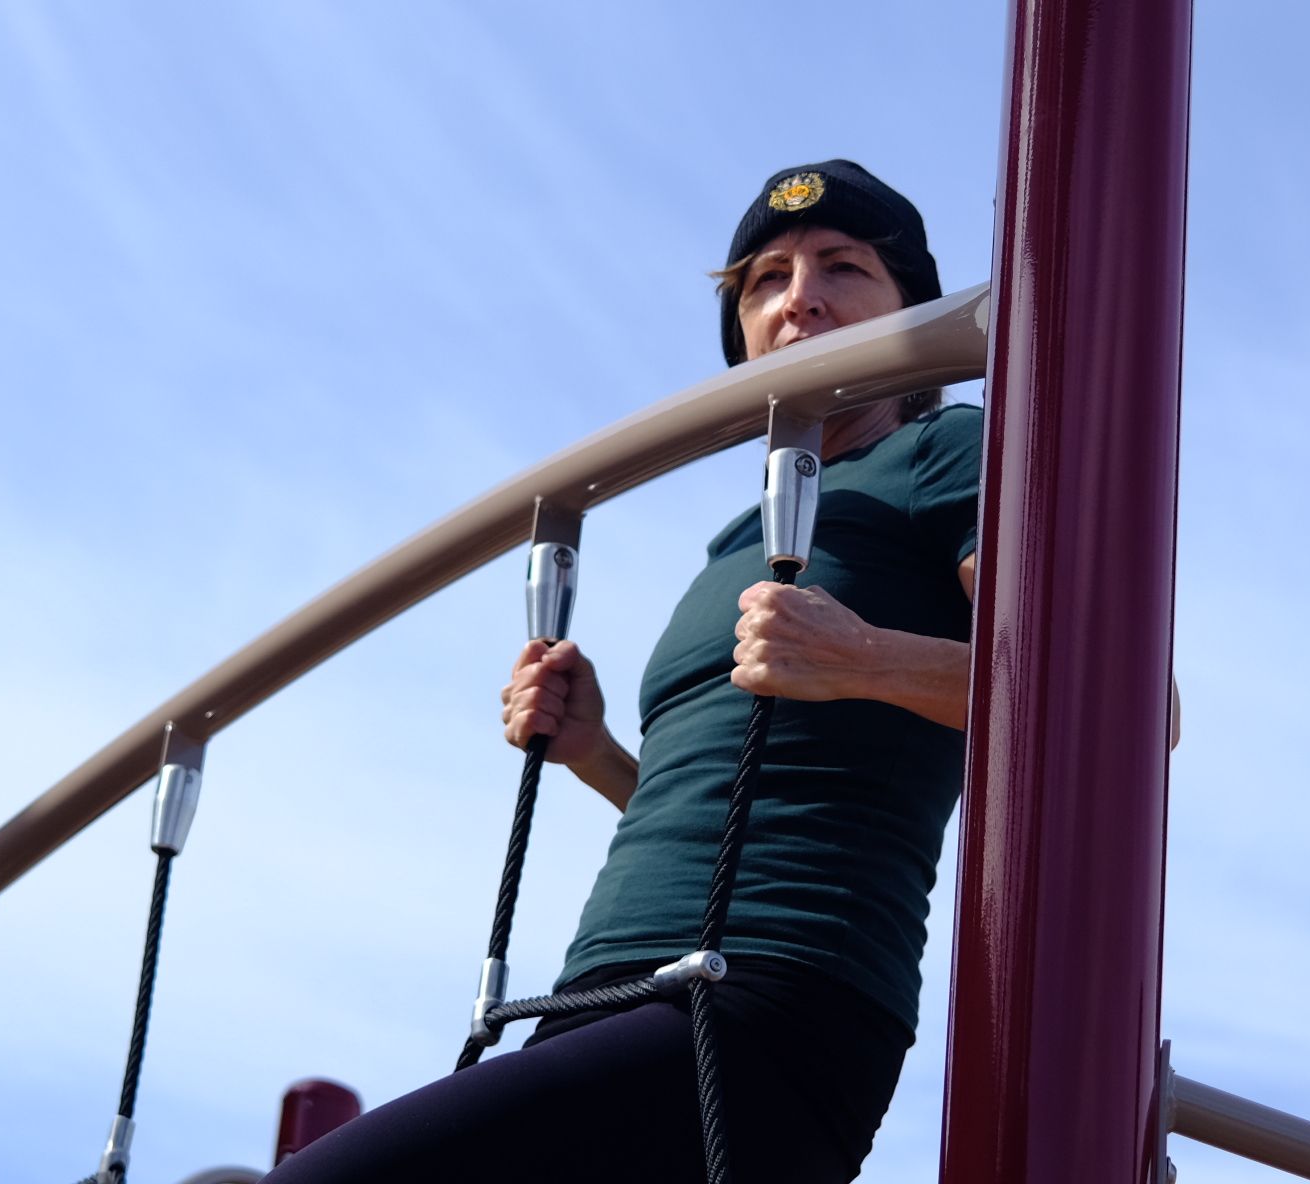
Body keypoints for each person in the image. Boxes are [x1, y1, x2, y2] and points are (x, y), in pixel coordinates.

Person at [263, 160, 984, 1184]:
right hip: (601, 997)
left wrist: (863, 656)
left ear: (911, 307)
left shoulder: (945, 450)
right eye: (764, 280)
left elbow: (1125, 706)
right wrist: (595, 751)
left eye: (843, 267)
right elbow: (730, 799)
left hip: (771, 1002)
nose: (800, 298)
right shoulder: (743, 534)